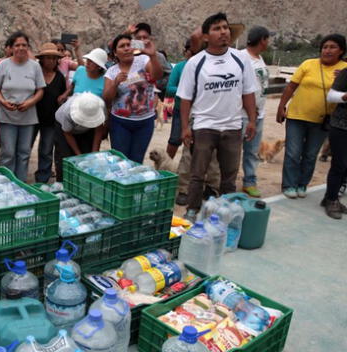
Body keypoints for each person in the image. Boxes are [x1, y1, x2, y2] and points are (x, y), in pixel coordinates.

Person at [177, 12, 258, 220]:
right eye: (216, 29)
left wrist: (251, 120)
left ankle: (225, 212)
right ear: (205, 36)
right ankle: (192, 211)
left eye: (225, 27)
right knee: (198, 174)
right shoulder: (195, 63)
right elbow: (185, 99)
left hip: (232, 126)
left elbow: (248, 92)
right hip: (204, 125)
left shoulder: (241, 59)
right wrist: (185, 127)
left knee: (229, 176)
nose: (223, 32)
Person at [277, 34, 347, 199]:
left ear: (341, 50)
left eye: (332, 47)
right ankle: (289, 185)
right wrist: (281, 107)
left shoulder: (344, 69)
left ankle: (302, 184)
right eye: (325, 47)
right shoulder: (308, 64)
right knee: (293, 153)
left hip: (322, 121)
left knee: (310, 155)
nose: (327, 50)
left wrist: (342, 79)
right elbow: (291, 86)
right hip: (297, 116)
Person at [167, 39, 221, 205]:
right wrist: (190, 91)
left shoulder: (217, 66)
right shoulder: (184, 67)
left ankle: (211, 187)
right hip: (191, 112)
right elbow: (171, 88)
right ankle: (183, 188)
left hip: (213, 113)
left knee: (213, 153)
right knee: (188, 152)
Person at [0, 32, 46, 182]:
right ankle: (5, 182)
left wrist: (30, 102)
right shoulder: (4, 64)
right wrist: (2, 101)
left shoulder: (34, 66)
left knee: (24, 152)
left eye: (24, 45)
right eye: (17, 45)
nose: (21, 48)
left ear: (28, 47)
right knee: (8, 152)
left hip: (28, 117)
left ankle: (20, 183)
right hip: (7, 116)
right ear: (11, 48)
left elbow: (40, 90)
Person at [103, 33, 163, 163]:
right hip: (120, 123)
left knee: (136, 161)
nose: (126, 48)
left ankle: (134, 183)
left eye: (129, 45)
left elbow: (157, 75)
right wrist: (115, 83)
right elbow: (107, 98)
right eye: (121, 46)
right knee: (120, 161)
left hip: (145, 123)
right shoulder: (112, 72)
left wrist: (153, 55)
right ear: (115, 52)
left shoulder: (143, 60)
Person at [240, 26, 273, 198]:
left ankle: (250, 182)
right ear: (262, 40)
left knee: (252, 151)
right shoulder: (240, 57)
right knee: (232, 152)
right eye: (267, 39)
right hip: (242, 116)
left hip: (258, 115)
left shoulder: (260, 59)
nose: (268, 42)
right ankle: (226, 182)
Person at [54, 93, 106, 181]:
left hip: (87, 131)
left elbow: (99, 129)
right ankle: (62, 184)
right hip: (65, 130)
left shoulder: (98, 107)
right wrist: (78, 155)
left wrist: (94, 152)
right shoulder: (66, 112)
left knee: (89, 158)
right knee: (66, 158)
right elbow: (68, 134)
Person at [34, 42, 67, 183]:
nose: (51, 61)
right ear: (42, 59)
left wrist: (62, 98)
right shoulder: (34, 73)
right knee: (24, 148)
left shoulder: (59, 77)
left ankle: (42, 179)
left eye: (54, 58)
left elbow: (61, 97)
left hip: (50, 120)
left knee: (46, 150)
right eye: (48, 58)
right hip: (31, 117)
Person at [323, 68, 347, 218]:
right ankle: (331, 199)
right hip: (341, 126)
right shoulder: (346, 73)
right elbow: (331, 96)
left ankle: (330, 197)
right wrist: (345, 96)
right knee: (339, 165)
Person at [128, 23, 173, 99]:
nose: (142, 40)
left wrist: (154, 84)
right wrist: (126, 33)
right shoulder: (129, 56)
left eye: (145, 37)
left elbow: (169, 76)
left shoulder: (158, 56)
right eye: (138, 38)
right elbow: (113, 48)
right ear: (134, 40)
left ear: (150, 39)